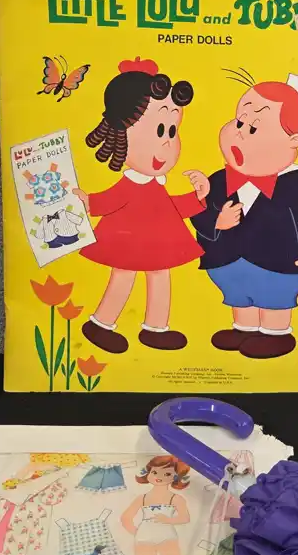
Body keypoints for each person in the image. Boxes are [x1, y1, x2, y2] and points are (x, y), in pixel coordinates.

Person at [74, 57, 210, 354]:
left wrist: (198, 197)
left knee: (160, 276)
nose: (167, 143)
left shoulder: (156, 184)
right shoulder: (131, 183)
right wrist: (88, 202)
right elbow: (111, 200)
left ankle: (155, 329)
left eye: (172, 131)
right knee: (123, 276)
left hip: (156, 242)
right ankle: (101, 324)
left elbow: (171, 208)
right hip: (127, 241)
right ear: (119, 133)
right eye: (159, 130)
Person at [191, 72, 298, 360]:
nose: (240, 132)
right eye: (239, 122)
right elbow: (199, 213)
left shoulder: (295, 184)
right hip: (228, 259)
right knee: (239, 294)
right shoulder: (219, 180)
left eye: (253, 128)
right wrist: (215, 219)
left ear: (293, 141)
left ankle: (275, 333)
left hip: (277, 263)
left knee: (274, 296)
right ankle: (244, 328)